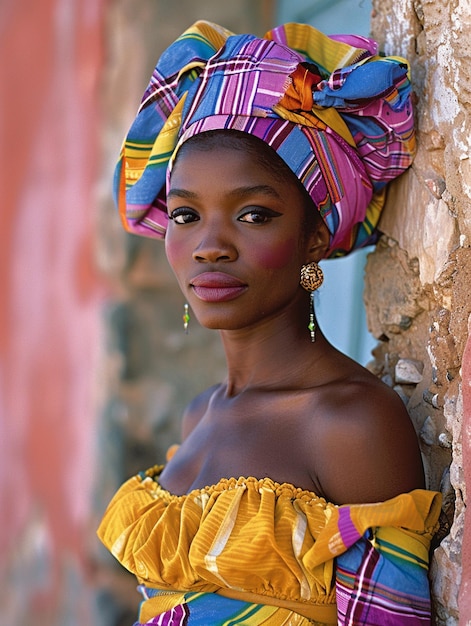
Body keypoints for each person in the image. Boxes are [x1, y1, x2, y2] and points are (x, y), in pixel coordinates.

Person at [98, 20, 442, 625]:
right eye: (185, 215)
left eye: (253, 214)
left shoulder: (350, 424)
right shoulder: (200, 414)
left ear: (314, 237)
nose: (208, 246)